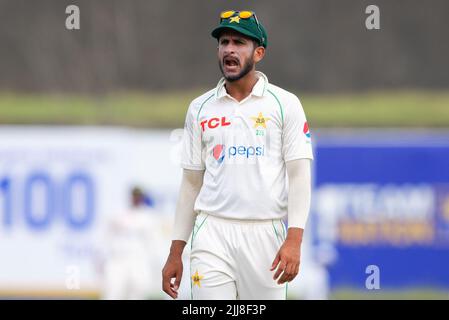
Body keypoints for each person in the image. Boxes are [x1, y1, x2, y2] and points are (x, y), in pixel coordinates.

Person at [162, 10, 314, 300]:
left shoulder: (285, 104)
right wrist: (175, 251)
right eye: (224, 42)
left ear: (258, 53)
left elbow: (298, 176)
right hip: (212, 233)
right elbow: (191, 183)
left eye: (239, 43)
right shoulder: (200, 108)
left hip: (265, 234)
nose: (229, 49)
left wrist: (294, 239)